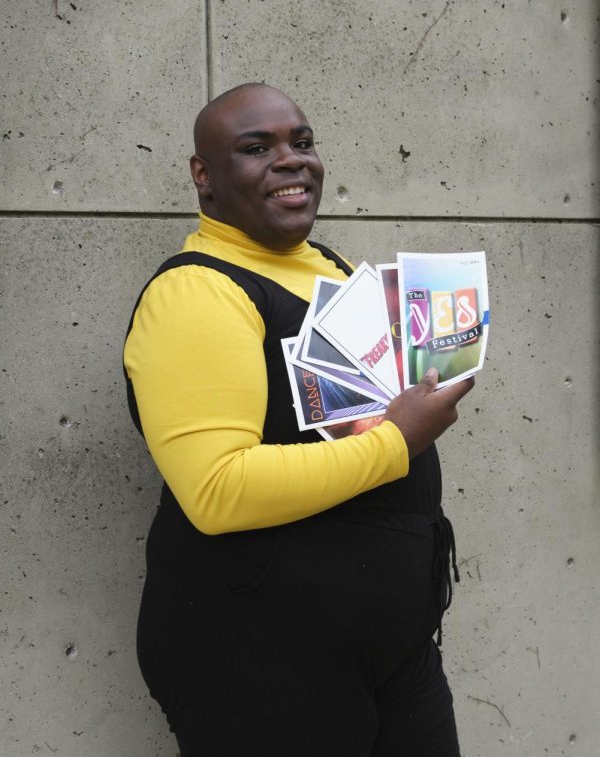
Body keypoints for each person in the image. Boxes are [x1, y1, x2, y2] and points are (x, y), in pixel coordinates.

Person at [123, 83, 474, 756]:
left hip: (390, 650)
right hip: (258, 655)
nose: (292, 161)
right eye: (257, 149)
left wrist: (433, 370)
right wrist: (401, 440)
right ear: (204, 175)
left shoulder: (331, 267)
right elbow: (218, 490)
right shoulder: (196, 292)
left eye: (302, 143)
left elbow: (349, 420)